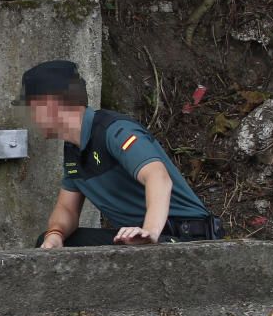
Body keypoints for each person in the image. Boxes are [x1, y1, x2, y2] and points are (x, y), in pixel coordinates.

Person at [14, 60, 224, 249]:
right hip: (135, 240)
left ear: (51, 105)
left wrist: (149, 231)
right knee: (53, 243)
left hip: (185, 238)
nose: (30, 117)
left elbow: (158, 178)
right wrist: (55, 235)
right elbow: (67, 209)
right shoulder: (73, 149)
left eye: (32, 108)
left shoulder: (114, 131)